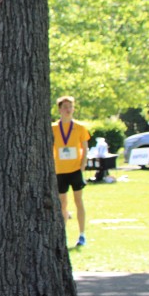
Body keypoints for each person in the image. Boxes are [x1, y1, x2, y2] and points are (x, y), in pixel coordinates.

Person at [51, 96, 90, 247]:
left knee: (78, 201)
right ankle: (62, 235)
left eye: (70, 107)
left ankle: (82, 235)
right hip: (60, 171)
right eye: (65, 107)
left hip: (75, 170)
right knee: (62, 204)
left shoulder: (80, 127)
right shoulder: (53, 128)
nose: (68, 110)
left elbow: (85, 148)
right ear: (59, 110)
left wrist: (82, 166)